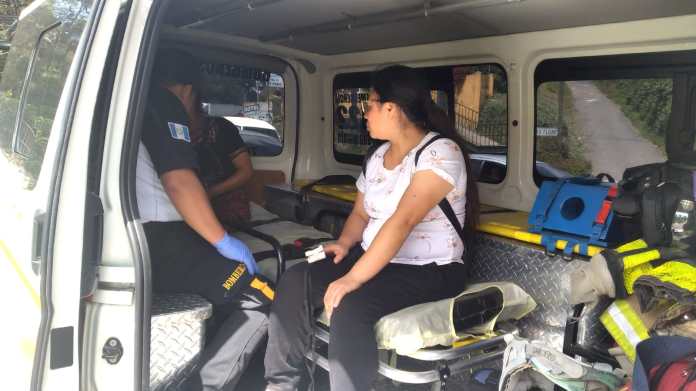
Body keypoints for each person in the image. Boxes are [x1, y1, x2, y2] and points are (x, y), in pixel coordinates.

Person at [263, 65, 479, 391]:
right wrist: (346, 244)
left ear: (391, 109)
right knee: (297, 279)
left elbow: (402, 222)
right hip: (375, 256)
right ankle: (281, 385)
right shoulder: (378, 156)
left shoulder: (440, 153)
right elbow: (361, 215)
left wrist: (352, 279)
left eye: (370, 105)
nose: (365, 114)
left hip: (431, 269)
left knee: (350, 307)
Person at [136, 48, 272, 391]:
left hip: (150, 236)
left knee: (224, 288)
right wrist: (222, 241)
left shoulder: (136, 105)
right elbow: (180, 181)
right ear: (188, 89)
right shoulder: (164, 105)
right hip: (164, 237)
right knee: (259, 295)